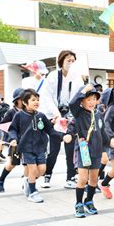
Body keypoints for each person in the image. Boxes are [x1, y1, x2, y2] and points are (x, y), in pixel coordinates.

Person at [39, 50, 83, 188]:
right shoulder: (52, 76)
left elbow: (78, 96)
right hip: (55, 116)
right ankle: (47, 175)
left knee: (70, 149)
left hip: (69, 116)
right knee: (54, 149)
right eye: (68, 60)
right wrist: (56, 114)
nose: (70, 63)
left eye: (72, 61)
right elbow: (47, 97)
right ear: (61, 61)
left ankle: (70, 177)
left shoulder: (77, 77)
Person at [65, 84, 108, 218]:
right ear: (82, 101)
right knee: (83, 178)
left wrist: (106, 148)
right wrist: (83, 90)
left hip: (96, 150)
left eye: (94, 99)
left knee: (94, 179)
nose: (91, 102)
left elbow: (103, 132)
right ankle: (78, 203)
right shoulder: (78, 113)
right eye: (88, 99)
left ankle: (89, 201)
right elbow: (72, 103)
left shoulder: (98, 114)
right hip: (83, 150)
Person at [9, 89, 57, 203]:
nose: (36, 102)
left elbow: (49, 130)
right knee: (33, 169)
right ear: (25, 103)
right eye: (33, 100)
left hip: (40, 147)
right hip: (26, 148)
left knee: (42, 170)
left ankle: (28, 181)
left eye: (38, 100)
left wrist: (62, 135)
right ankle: (32, 192)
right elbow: (13, 129)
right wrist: (14, 139)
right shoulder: (19, 115)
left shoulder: (41, 115)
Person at [0, 88, 24, 192]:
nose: (24, 100)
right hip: (15, 141)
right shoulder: (11, 112)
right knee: (11, 164)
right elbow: (4, 125)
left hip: (28, 142)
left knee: (29, 164)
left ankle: (27, 184)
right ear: (17, 100)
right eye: (22, 98)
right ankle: (1, 179)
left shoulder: (29, 111)